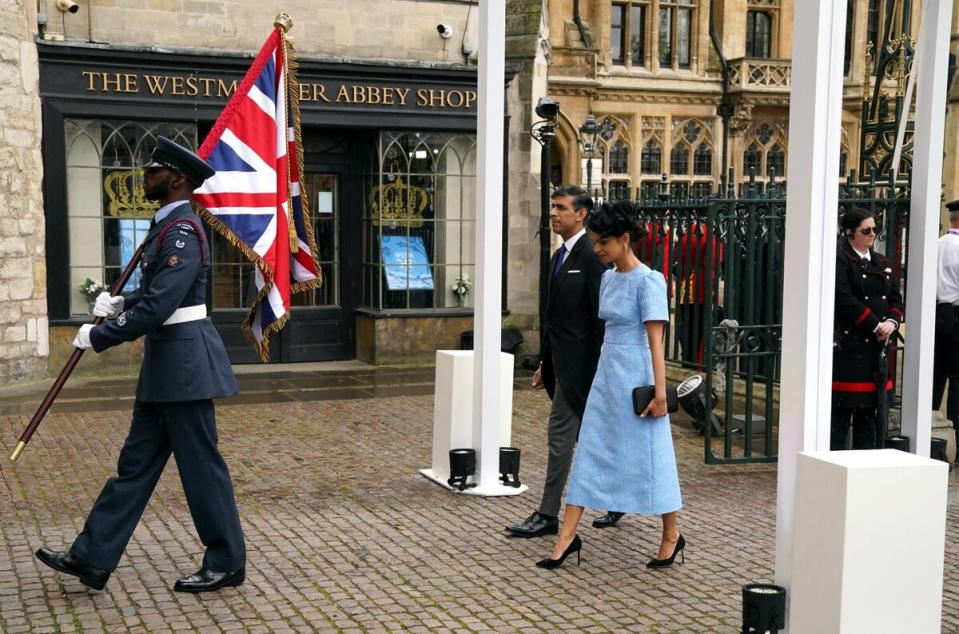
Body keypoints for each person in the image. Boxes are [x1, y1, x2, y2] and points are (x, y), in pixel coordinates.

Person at [35, 137, 246, 593]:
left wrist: (101, 335)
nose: (146, 176)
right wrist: (121, 302)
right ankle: (92, 557)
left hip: (186, 368)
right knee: (134, 467)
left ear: (177, 179)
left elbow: (162, 305)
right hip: (166, 367)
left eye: (154, 171)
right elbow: (153, 295)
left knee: (201, 469)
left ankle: (227, 561)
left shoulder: (183, 231)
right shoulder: (165, 227)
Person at [537, 200, 684, 570]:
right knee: (590, 451)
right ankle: (567, 537)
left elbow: (656, 343)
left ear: (624, 239)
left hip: (638, 379)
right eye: (595, 241)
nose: (598, 249)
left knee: (652, 457)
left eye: (603, 242)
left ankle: (671, 535)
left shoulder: (650, 281)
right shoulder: (607, 278)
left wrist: (661, 394)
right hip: (606, 376)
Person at [505, 185, 622, 537]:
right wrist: (546, 362)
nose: (552, 213)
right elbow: (558, 320)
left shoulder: (591, 254)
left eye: (560, 208)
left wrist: (601, 372)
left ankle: (548, 514)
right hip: (564, 367)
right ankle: (618, 500)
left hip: (584, 372)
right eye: (551, 207)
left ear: (581, 214)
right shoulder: (561, 255)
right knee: (597, 439)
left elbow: (600, 319)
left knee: (560, 439)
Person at [831, 207, 904, 450]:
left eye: (875, 229)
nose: (872, 234)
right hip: (851, 347)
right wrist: (875, 325)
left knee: (869, 419)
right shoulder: (841, 259)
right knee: (840, 418)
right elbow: (843, 299)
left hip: (877, 349)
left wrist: (891, 323)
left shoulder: (880, 261)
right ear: (850, 233)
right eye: (866, 230)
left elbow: (895, 297)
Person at [933, 199, 959, 457]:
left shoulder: (937, 245)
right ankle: (957, 442)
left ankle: (929, 436)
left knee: (934, 376)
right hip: (956, 315)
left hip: (935, 313)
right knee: (958, 383)